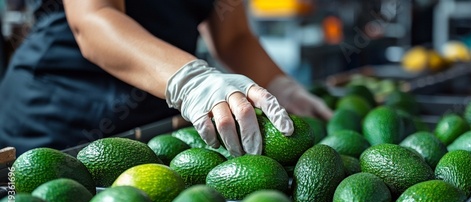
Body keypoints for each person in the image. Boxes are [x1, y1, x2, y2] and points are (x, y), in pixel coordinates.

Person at [0, 0, 332, 157]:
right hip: (60, 106)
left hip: (156, 117)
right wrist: (193, 82)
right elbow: (93, 19)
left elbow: (233, 36)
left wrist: (278, 86)